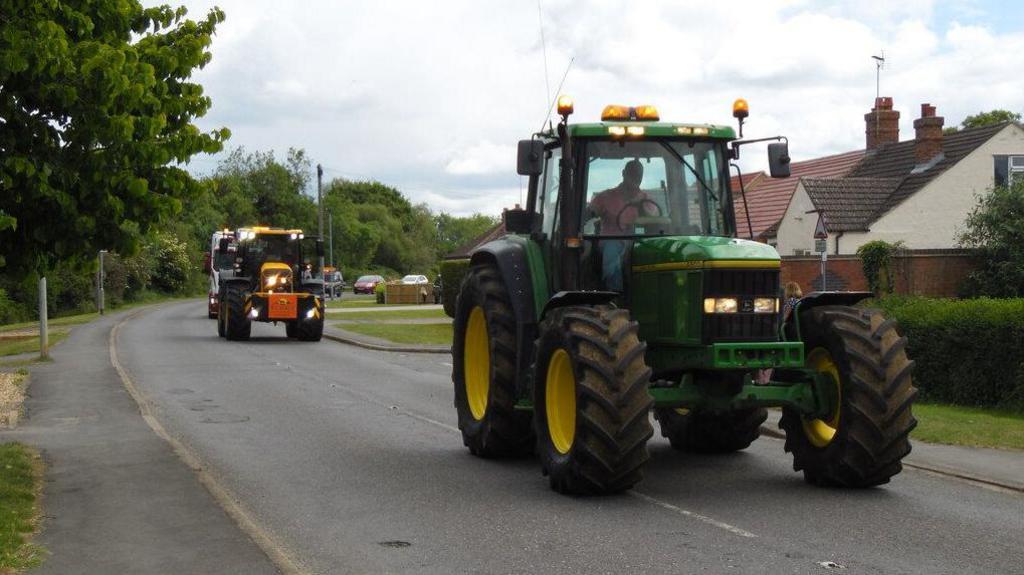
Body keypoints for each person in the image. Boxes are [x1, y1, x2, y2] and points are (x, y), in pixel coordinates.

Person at [586, 159, 656, 290]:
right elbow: (587, 214)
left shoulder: (647, 200)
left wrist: (642, 209)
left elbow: (655, 221)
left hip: (637, 242)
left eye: (638, 176)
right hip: (610, 240)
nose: (636, 179)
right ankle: (614, 294)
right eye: (633, 174)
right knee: (612, 247)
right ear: (624, 173)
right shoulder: (605, 197)